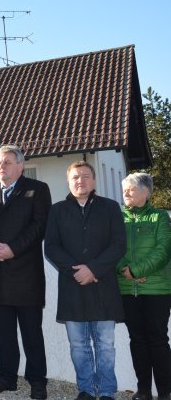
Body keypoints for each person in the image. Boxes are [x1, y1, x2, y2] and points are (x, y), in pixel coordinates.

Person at [0, 144, 52, 399]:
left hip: (26, 277)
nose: (1, 167)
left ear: (20, 165)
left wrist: (12, 249)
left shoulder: (37, 190)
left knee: (31, 335)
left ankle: (37, 381)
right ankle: (7, 377)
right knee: (3, 334)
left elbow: (39, 227)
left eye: (6, 162)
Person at [44, 161, 126, 400]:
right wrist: (76, 271)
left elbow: (119, 244)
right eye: (76, 177)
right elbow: (51, 247)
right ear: (68, 182)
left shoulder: (110, 207)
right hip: (72, 286)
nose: (81, 181)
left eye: (86, 176)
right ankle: (86, 390)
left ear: (94, 181)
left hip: (104, 286)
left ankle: (108, 391)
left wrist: (93, 269)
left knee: (105, 346)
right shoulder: (57, 210)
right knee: (78, 345)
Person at [117, 173, 171, 400]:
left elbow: (164, 250)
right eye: (124, 189)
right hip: (128, 290)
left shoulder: (160, 217)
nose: (125, 193)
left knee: (158, 341)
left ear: (146, 192)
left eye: (130, 189)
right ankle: (144, 390)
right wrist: (124, 269)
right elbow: (110, 248)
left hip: (157, 291)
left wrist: (136, 270)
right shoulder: (118, 218)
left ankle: (166, 392)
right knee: (137, 341)